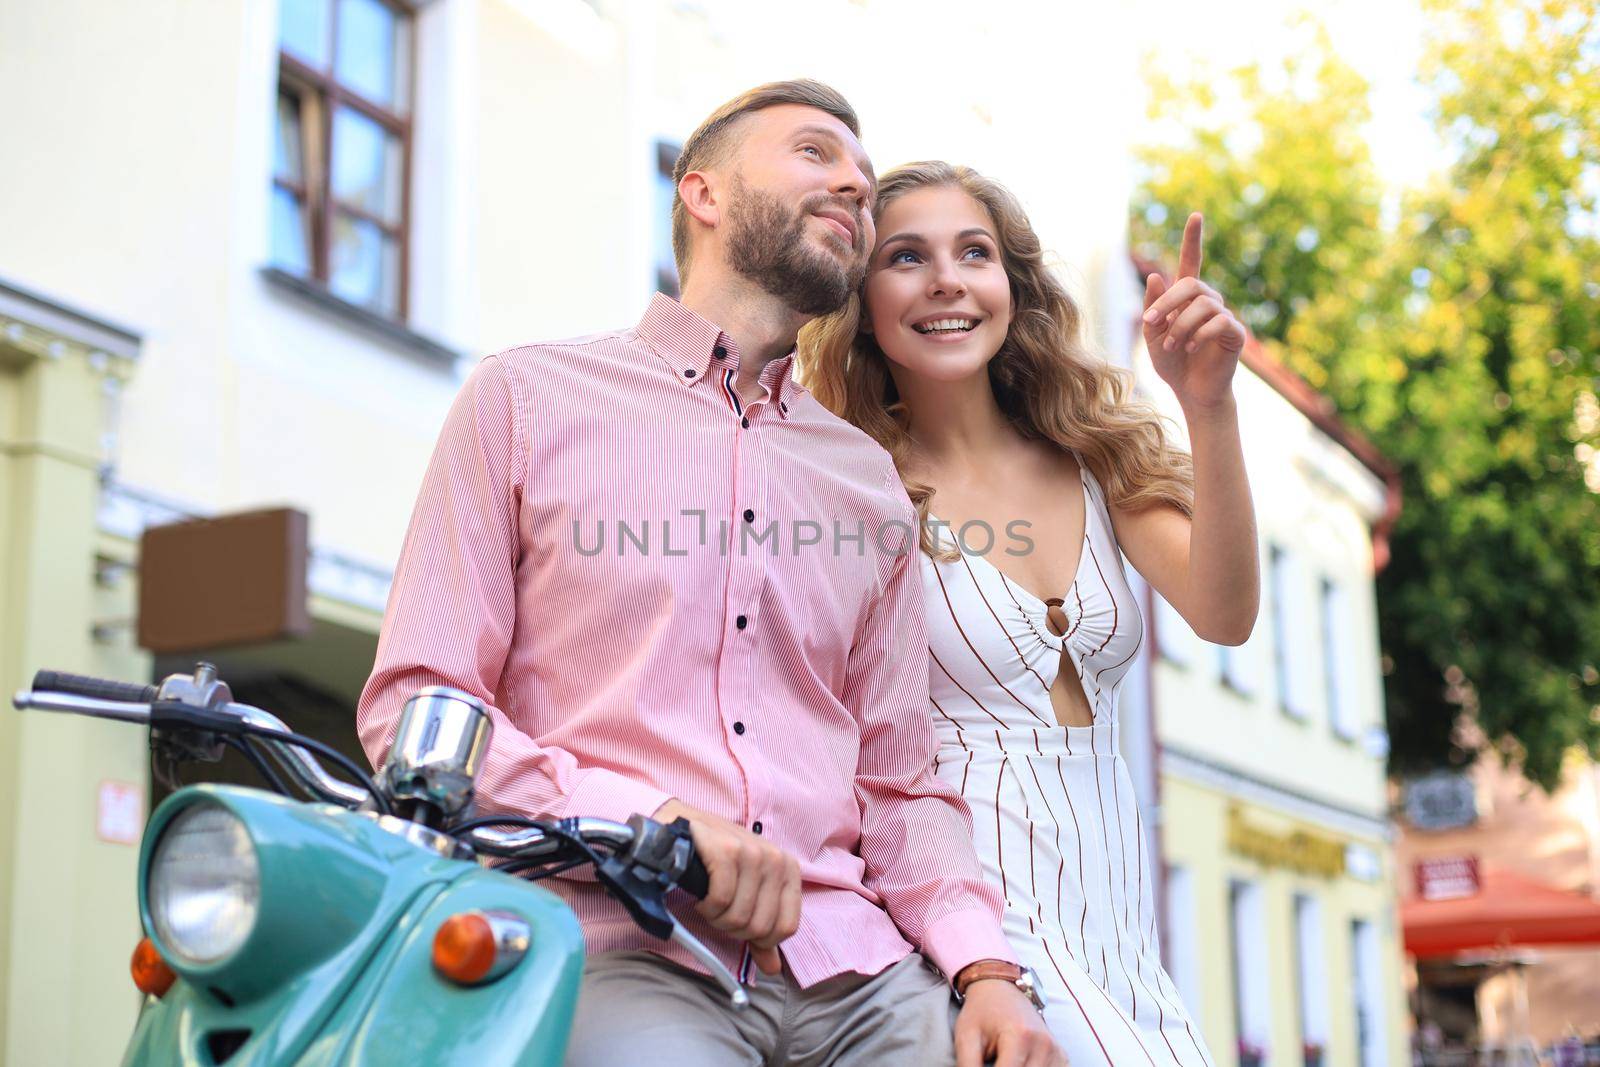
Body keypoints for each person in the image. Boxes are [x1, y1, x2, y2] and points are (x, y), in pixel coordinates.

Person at [356, 85, 1064, 1067]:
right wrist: (649, 821)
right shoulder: (522, 401)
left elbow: (897, 780)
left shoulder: (865, 480)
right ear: (703, 193)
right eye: (816, 154)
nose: (855, 184)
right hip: (621, 939)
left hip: (856, 967)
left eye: (861, 179)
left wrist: (987, 971)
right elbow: (417, 709)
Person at [798, 161, 1259, 1065]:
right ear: (861, 300)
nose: (946, 280)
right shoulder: (849, 486)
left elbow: (1224, 612)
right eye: (905, 257)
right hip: (968, 894)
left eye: (974, 252)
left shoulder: (1093, 450)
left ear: (1012, 284)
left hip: (1116, 902)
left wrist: (1210, 407)